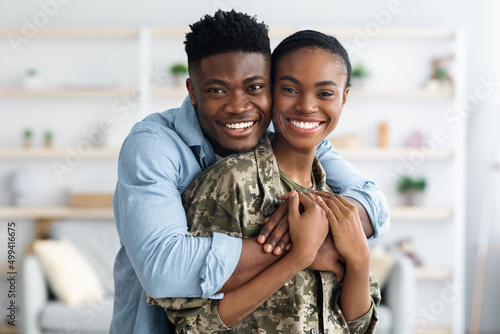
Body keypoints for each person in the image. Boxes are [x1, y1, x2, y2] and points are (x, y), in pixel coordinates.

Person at [111, 10, 389, 334]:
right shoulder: (154, 145)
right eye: (216, 90)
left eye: (254, 87)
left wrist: (333, 233)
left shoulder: (289, 135)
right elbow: (163, 269)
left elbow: (373, 202)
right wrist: (300, 249)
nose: (238, 106)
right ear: (192, 90)